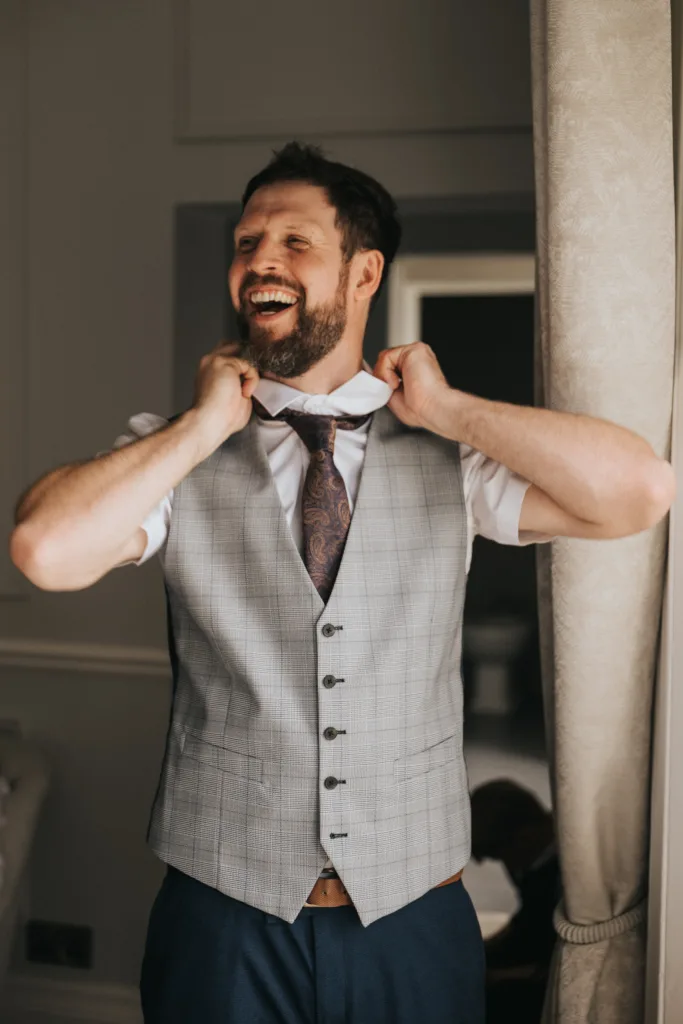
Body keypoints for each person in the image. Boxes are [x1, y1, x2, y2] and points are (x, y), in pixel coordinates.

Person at [9, 142, 675, 1024]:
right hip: (223, 918)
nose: (259, 262)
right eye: (246, 244)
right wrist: (206, 423)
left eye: (294, 241)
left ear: (365, 272)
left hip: (411, 916)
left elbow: (640, 491)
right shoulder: (177, 453)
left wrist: (445, 409)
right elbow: (44, 551)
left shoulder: (451, 457)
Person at [471, 779, 560, 1022]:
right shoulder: (538, 868)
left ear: (525, 835)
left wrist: (495, 977)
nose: (505, 865)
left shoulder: (567, 879)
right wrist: (477, 952)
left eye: (498, 854)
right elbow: (525, 923)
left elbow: (557, 964)